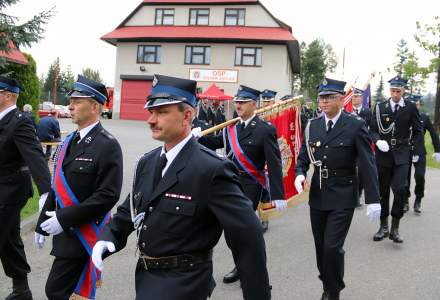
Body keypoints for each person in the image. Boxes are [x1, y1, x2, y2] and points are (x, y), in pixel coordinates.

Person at [91, 74, 271, 300]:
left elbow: (248, 238)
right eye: (151, 112)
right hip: (146, 277)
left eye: (162, 112)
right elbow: (131, 209)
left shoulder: (212, 169)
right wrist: (109, 237)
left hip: (186, 283)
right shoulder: (147, 162)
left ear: (187, 116)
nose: (151, 120)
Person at [35, 75, 123, 300]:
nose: (70, 107)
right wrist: (41, 225)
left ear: (94, 106)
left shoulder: (107, 145)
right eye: (71, 101)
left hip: (84, 232)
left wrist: (63, 218)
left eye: (77, 101)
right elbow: (58, 187)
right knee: (64, 293)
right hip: (66, 235)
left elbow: (107, 195)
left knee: (58, 291)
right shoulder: (69, 141)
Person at [294, 78, 381, 300]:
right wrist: (300, 173)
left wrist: (373, 198)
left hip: (343, 193)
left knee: (332, 246)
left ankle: (333, 291)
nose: (323, 102)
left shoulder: (355, 125)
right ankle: (327, 282)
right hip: (319, 194)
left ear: (341, 99)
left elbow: (367, 162)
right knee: (321, 247)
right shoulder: (312, 125)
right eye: (321, 98)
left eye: (328, 97)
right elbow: (304, 156)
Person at [197, 85, 286, 284]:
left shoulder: (265, 129)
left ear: (253, 104)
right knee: (231, 232)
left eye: (243, 102)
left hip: (250, 184)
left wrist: (278, 194)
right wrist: (199, 137)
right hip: (229, 182)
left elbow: (274, 163)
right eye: (237, 101)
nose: (238, 105)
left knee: (240, 227)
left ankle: (249, 268)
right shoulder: (232, 127)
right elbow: (217, 143)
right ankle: (241, 264)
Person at [0, 76, 51, 300]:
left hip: (10, 190)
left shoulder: (19, 121)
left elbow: (35, 157)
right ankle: (22, 290)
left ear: (8, 95)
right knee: (9, 240)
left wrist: (47, 193)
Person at [370, 75, 424, 243]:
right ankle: (383, 226)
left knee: (400, 189)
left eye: (398, 91)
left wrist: (416, 149)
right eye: (393, 90)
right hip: (383, 154)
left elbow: (417, 131)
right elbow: (372, 129)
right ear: (390, 90)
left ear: (403, 91)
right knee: (382, 191)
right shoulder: (380, 107)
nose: (395, 94)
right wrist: (377, 140)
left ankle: (395, 227)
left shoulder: (410, 108)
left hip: (402, 153)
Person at [404, 95, 440, 213]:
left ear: (419, 105)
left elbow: (434, 134)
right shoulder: (403, 115)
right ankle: (405, 200)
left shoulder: (424, 117)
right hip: (405, 151)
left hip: (419, 152)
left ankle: (418, 199)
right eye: (412, 104)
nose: (415, 106)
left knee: (420, 176)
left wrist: (437, 150)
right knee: (404, 178)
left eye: (417, 104)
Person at [351, 88, 372, 207]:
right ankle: (354, 196)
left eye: (358, 96)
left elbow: (371, 128)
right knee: (351, 171)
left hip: (363, 146)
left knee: (362, 172)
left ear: (362, 98)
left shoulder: (367, 112)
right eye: (354, 96)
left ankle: (359, 193)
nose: (356, 98)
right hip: (350, 146)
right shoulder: (346, 111)